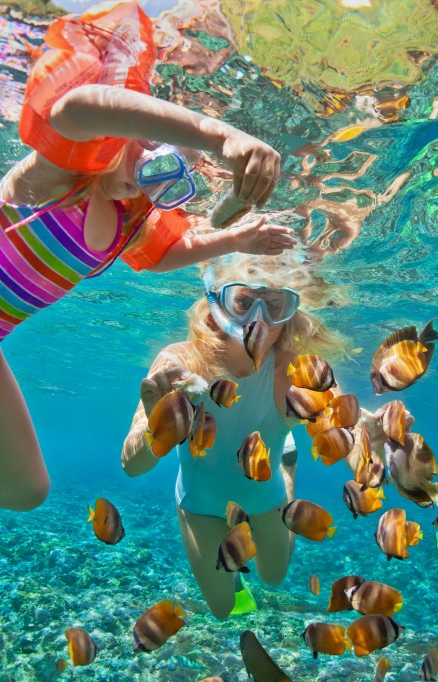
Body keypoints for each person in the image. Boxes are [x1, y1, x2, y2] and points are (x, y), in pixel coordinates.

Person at [0, 3, 297, 556]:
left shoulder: (127, 220)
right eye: (149, 160)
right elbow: (76, 107)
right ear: (130, 131)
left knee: (28, 489)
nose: (146, 187)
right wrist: (221, 138)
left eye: (168, 185)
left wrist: (235, 240)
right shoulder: (60, 174)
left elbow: (173, 251)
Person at [120, 252, 350, 619]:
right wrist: (155, 425)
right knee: (224, 608)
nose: (257, 320)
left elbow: (341, 423)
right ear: (216, 304)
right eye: (243, 302)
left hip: (266, 493)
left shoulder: (294, 366)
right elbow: (132, 466)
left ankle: (287, 472)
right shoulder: (181, 361)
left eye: (275, 305)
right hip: (200, 504)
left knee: (273, 577)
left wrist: (371, 436)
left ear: (290, 315)